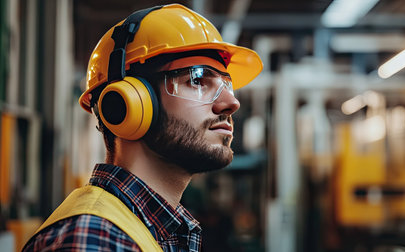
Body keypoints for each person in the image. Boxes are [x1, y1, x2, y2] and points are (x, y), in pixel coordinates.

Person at [23, 3, 262, 251]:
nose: (231, 103)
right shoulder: (96, 238)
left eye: (227, 84)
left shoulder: (152, 229)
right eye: (197, 80)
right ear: (128, 103)